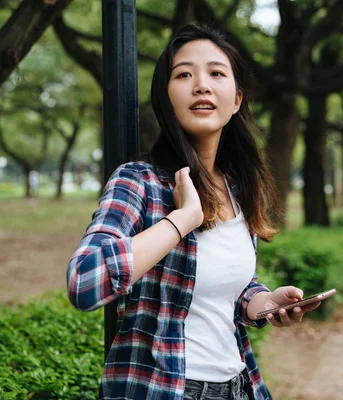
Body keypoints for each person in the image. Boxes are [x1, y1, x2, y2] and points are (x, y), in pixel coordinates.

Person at [67, 24, 320, 400]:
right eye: (184, 74)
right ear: (166, 97)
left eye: (216, 73)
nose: (201, 85)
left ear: (236, 99)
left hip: (240, 386)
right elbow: (84, 282)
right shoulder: (139, 183)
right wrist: (181, 220)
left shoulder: (237, 187)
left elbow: (216, 290)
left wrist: (261, 303)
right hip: (166, 390)